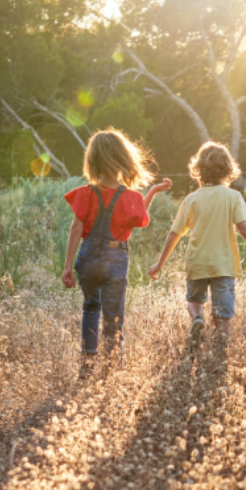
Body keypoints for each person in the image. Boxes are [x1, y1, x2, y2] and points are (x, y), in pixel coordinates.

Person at [148, 140, 246, 349]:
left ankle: (197, 319)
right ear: (228, 169)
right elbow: (245, 229)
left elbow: (174, 234)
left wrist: (160, 263)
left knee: (194, 300)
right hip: (223, 265)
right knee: (223, 317)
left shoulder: (192, 199)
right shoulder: (233, 197)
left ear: (199, 170)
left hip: (197, 263)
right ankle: (219, 359)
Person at [62, 128, 173, 375]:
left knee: (91, 307)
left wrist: (68, 266)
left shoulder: (85, 193)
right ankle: (111, 367)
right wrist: (152, 192)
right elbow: (141, 219)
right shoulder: (131, 197)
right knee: (113, 315)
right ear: (123, 159)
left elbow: (75, 229)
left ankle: (88, 363)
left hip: (88, 255)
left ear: (93, 161)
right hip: (116, 258)